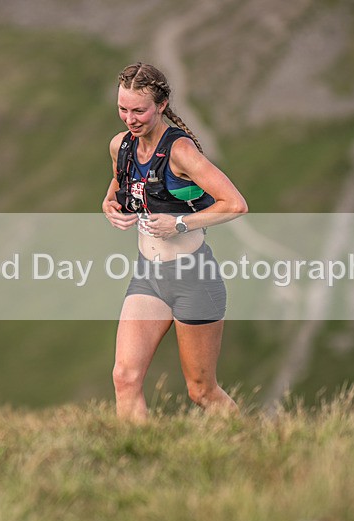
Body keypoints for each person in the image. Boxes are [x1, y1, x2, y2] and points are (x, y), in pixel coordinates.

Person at [102, 62, 248, 421]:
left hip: (193, 279)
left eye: (139, 110)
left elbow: (235, 204)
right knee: (125, 376)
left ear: (162, 104)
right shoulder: (120, 146)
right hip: (148, 277)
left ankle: (256, 444)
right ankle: (133, 460)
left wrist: (180, 223)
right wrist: (110, 208)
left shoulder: (181, 152)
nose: (129, 119)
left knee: (201, 391)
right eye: (123, 109)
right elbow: (117, 193)